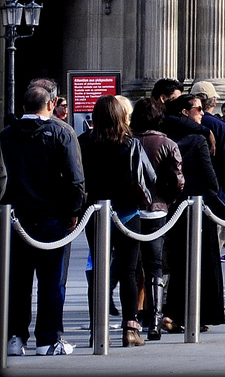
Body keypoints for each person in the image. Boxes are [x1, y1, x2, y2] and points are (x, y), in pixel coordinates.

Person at [2, 81, 85, 356]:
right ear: (50, 105)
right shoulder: (62, 133)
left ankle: (15, 336)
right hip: (52, 216)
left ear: (24, 107)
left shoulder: (6, 135)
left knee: (18, 281)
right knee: (51, 281)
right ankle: (49, 338)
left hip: (16, 217)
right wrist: (73, 211)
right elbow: (76, 179)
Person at [79, 96, 155, 347]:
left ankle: (96, 329)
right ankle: (130, 329)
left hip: (95, 213)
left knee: (98, 270)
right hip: (127, 212)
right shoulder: (130, 143)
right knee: (128, 272)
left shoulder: (84, 143)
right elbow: (150, 177)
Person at [159, 93, 225, 332]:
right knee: (201, 263)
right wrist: (218, 202)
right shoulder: (197, 140)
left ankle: (175, 312)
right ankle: (194, 313)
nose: (202, 113)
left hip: (173, 206)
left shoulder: (165, 136)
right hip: (197, 206)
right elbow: (210, 180)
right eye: (197, 109)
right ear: (185, 113)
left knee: (178, 263)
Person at [129, 99, 183, 339]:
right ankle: (155, 319)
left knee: (129, 265)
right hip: (157, 209)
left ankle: (131, 318)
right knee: (154, 265)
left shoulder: (126, 142)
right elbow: (178, 180)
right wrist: (167, 200)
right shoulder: (168, 143)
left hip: (129, 210)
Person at [189, 81, 225, 261]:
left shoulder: (182, 124)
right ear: (214, 101)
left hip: (186, 197)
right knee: (211, 255)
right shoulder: (223, 128)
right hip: (217, 197)